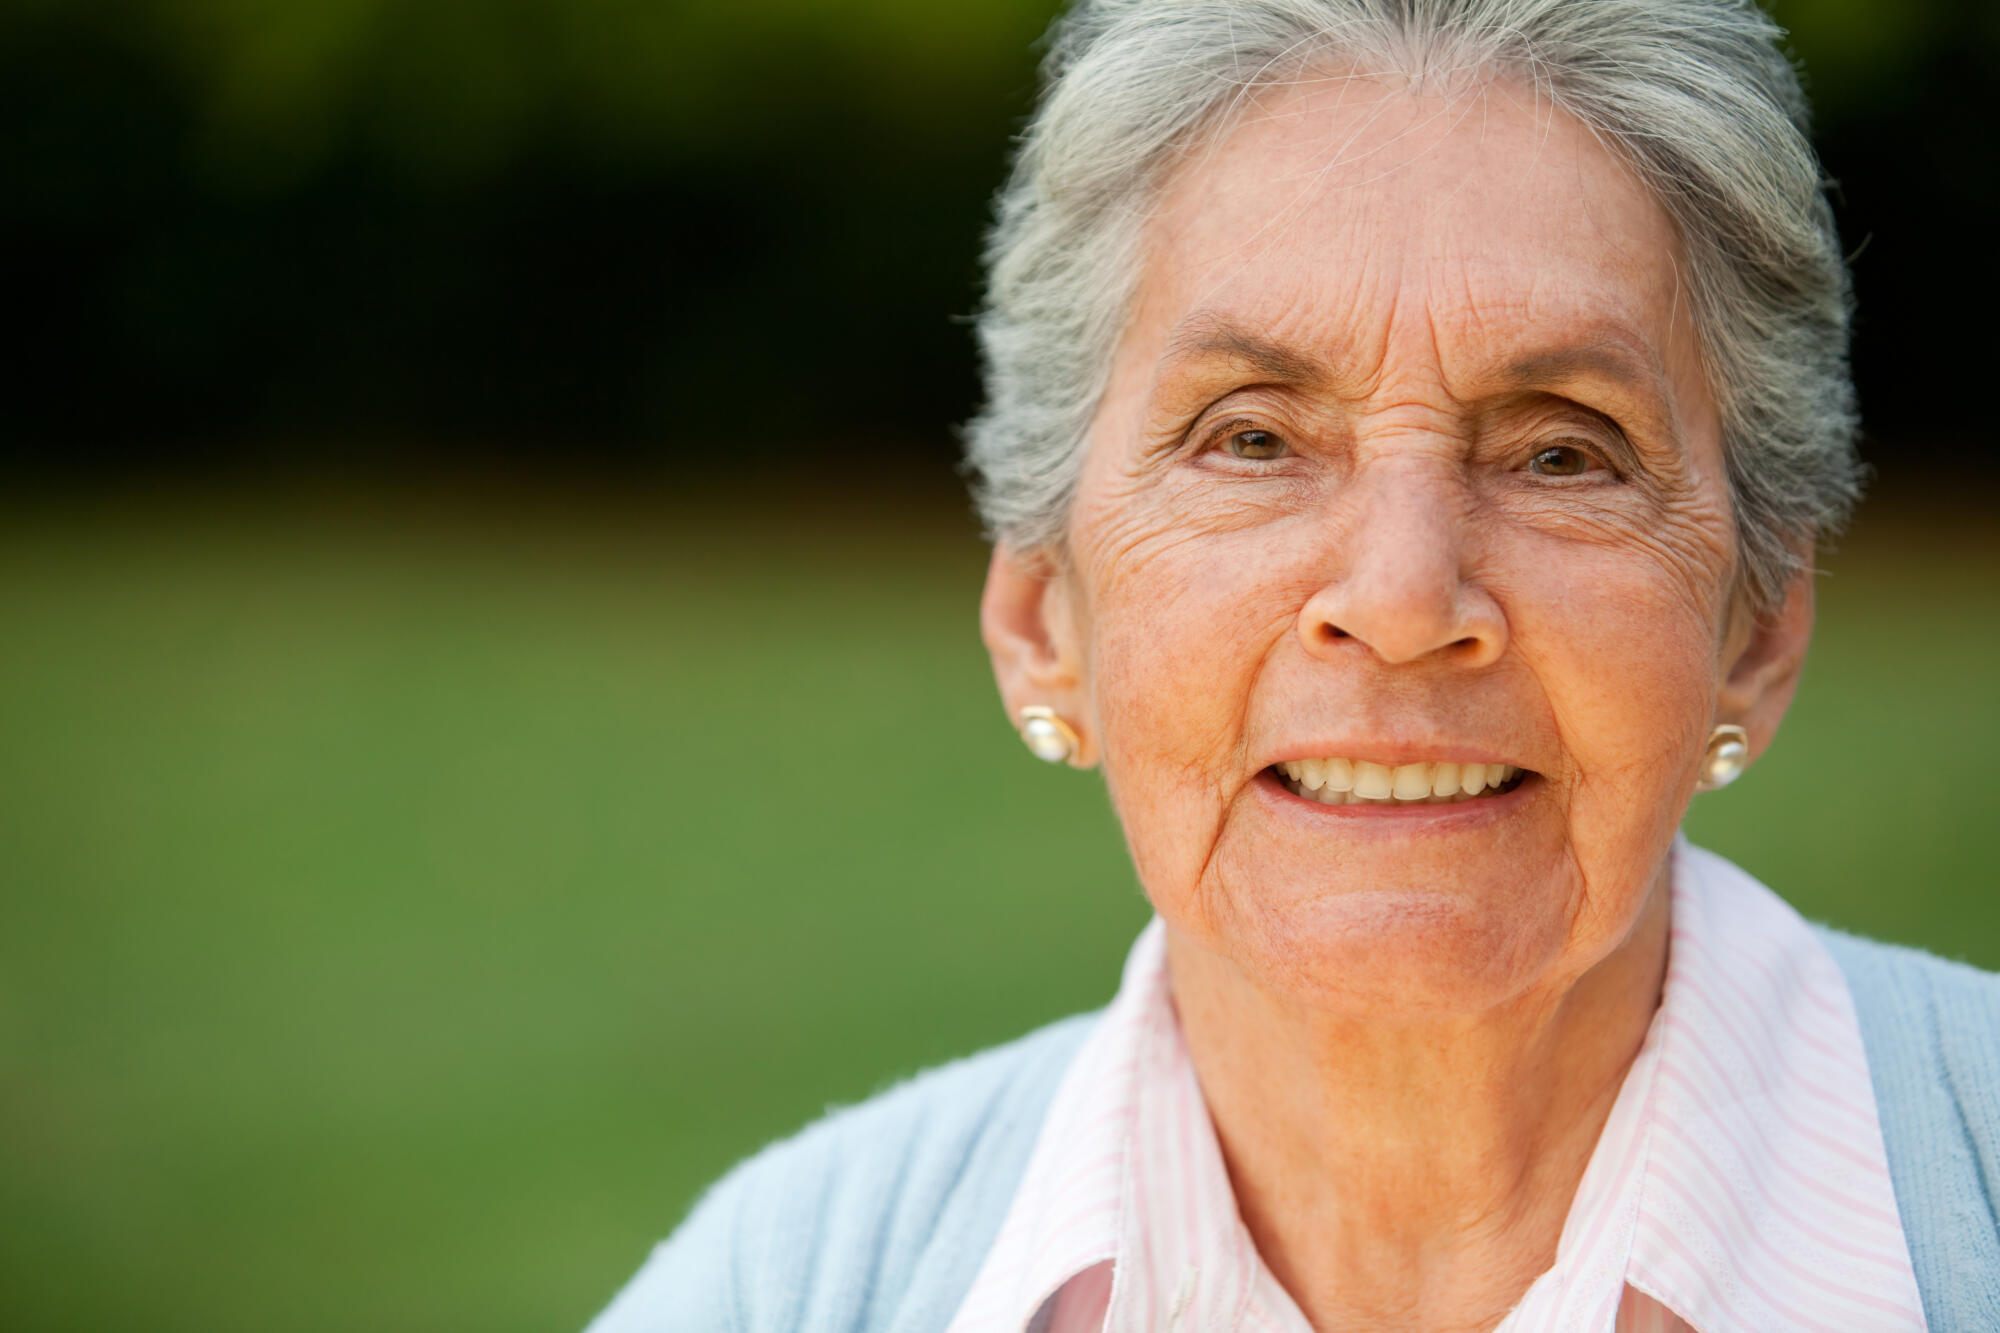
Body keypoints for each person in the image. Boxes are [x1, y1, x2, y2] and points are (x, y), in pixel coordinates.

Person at [589, 1, 2000, 1328]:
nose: (1401, 598)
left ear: (1757, 627)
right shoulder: (787, 1282)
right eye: (1251, 438)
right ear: (1043, 616)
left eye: (1563, 448)